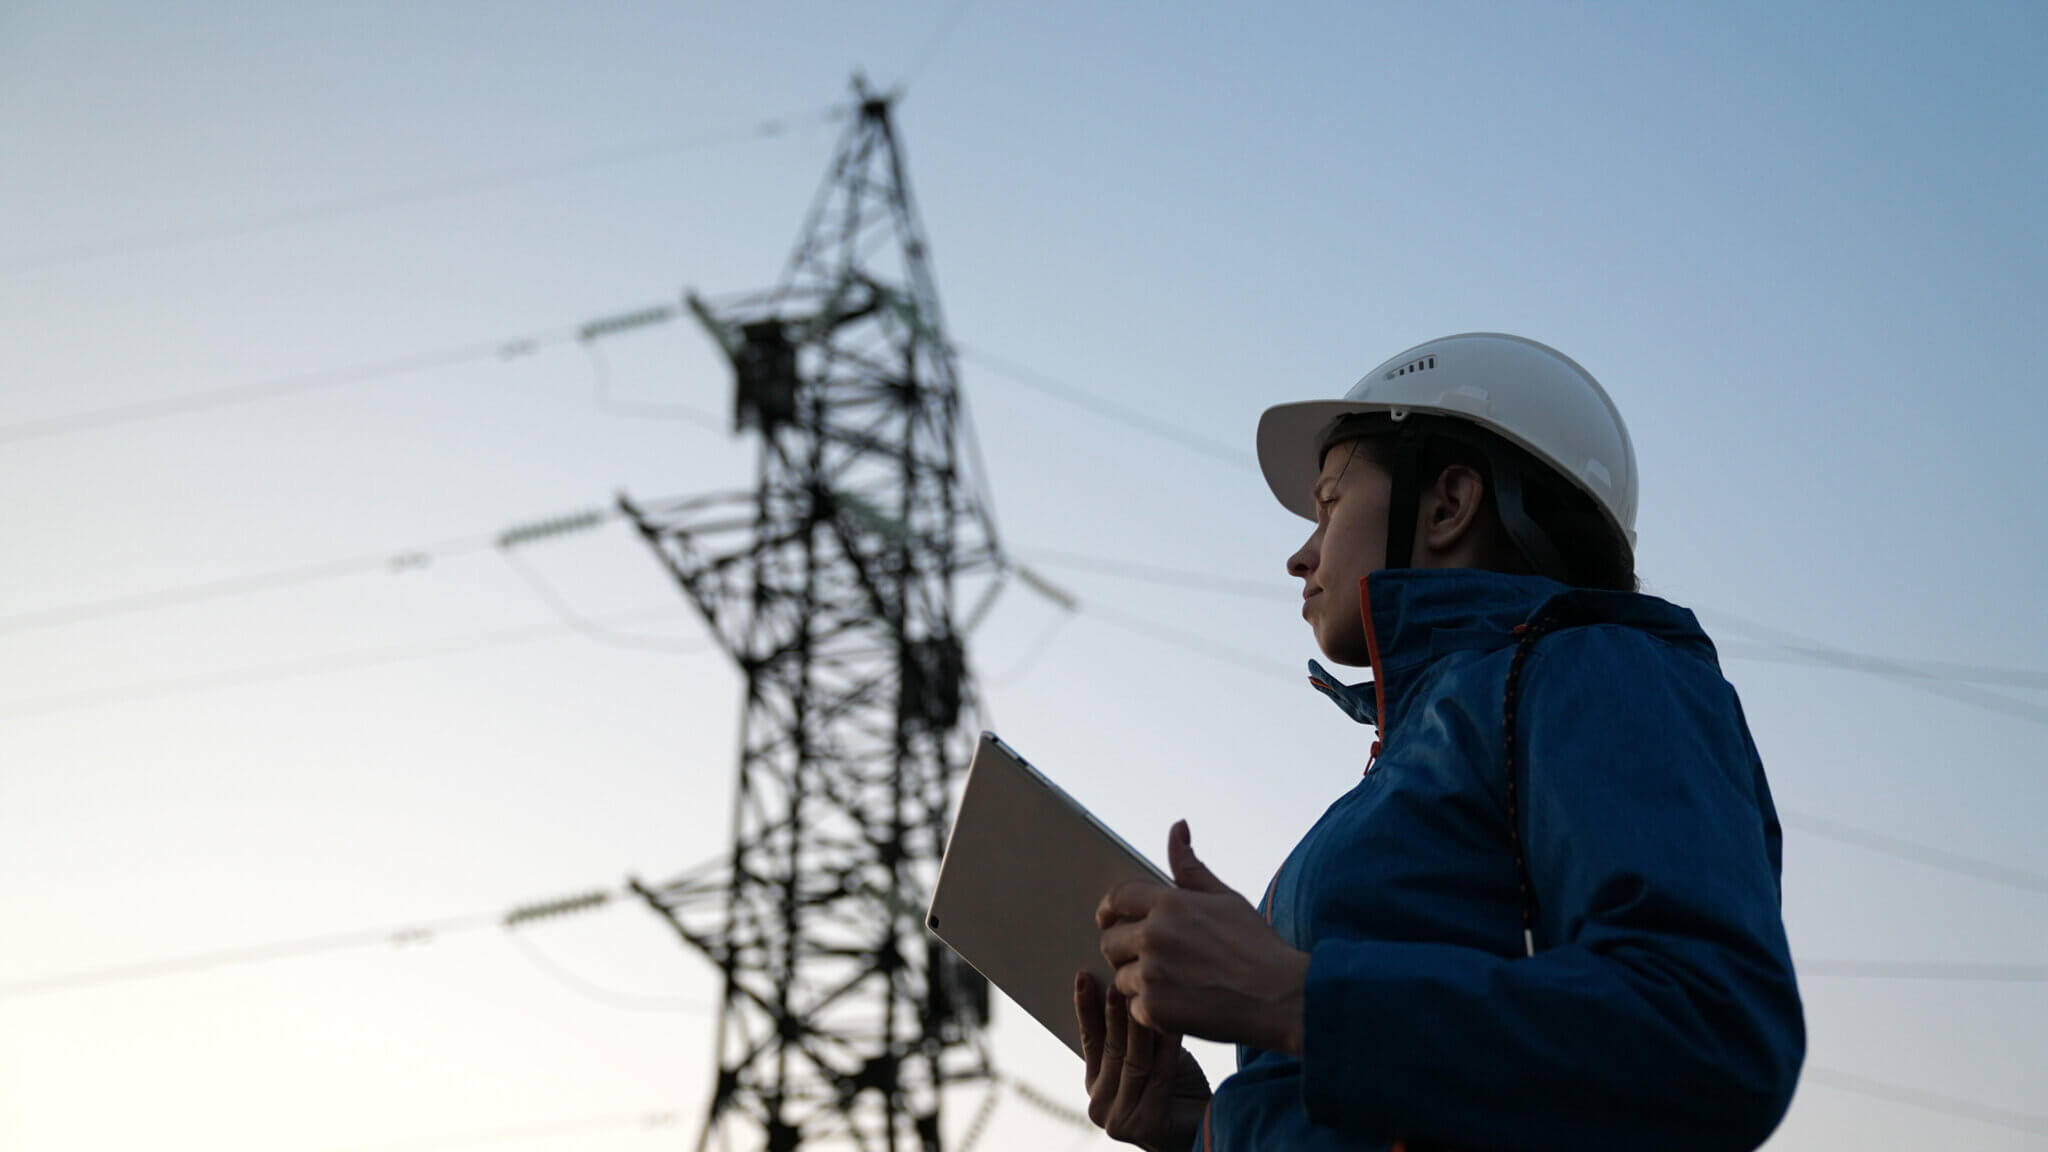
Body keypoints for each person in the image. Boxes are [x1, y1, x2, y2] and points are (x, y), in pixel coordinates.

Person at [1072, 333, 1805, 1151]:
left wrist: (1290, 999)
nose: (1299, 554)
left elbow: (1706, 1030)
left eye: (1330, 504)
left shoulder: (1601, 666)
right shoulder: (1414, 753)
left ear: (1448, 503)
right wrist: (1203, 1128)